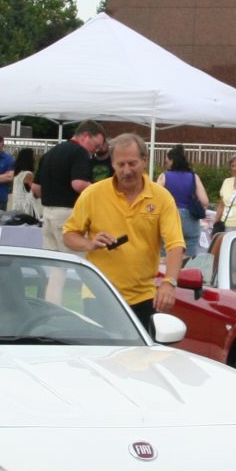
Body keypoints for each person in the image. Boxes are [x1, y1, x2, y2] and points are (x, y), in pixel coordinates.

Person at [62, 133, 186, 331]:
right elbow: (69, 235)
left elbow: (175, 245)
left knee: (141, 359)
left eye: (132, 163)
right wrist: (89, 243)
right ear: (112, 164)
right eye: (121, 165)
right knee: (102, 359)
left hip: (144, 296)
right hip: (99, 294)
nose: (126, 171)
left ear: (145, 161)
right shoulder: (93, 194)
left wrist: (169, 283)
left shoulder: (161, 197)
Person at [32, 120, 107, 253]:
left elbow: (36, 188)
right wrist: (103, 193)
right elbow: (79, 184)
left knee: (54, 264)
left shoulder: (50, 153)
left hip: (47, 214)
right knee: (75, 262)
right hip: (67, 215)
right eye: (96, 145)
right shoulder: (80, 152)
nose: (96, 150)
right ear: (85, 136)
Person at [156, 144, 209, 258]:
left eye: (167, 161)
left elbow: (154, 199)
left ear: (172, 161)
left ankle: (169, 275)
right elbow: (205, 201)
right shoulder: (194, 177)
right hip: (191, 220)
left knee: (166, 256)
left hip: (170, 219)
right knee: (189, 259)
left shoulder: (164, 176)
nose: (166, 164)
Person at [7, 147, 41, 219]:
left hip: (17, 205)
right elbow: (34, 192)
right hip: (27, 208)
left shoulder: (17, 174)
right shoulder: (28, 174)